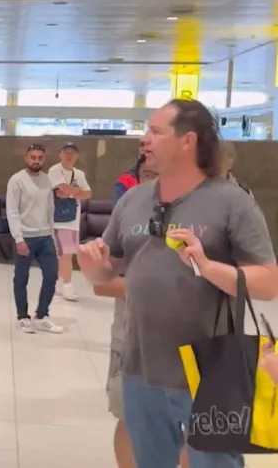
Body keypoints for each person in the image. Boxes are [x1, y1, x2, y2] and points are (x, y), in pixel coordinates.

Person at [78, 99, 278, 468]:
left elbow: (268, 283)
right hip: (141, 367)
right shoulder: (134, 201)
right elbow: (111, 271)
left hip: (212, 369)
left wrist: (207, 266)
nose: (145, 139)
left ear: (188, 140)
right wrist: (95, 268)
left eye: (155, 131)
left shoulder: (233, 202)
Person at [92, 158, 184, 468]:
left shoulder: (213, 210)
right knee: (130, 417)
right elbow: (102, 282)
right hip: (133, 337)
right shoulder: (129, 212)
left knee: (195, 426)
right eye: (146, 174)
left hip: (196, 341)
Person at [6, 143, 63, 334]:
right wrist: (18, 238)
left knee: (52, 275)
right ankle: (22, 317)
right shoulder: (17, 180)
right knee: (21, 278)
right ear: (26, 158)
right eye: (33, 157)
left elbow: (50, 210)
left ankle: (42, 316)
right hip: (25, 238)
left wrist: (53, 237)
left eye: (40, 157)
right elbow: (12, 211)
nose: (36, 161)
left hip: (45, 236)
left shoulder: (47, 180)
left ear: (44, 159)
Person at [47, 143, 92, 301]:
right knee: (66, 253)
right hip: (58, 220)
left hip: (73, 220)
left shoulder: (79, 173)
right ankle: (67, 286)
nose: (69, 155)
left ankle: (55, 283)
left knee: (66, 254)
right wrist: (76, 191)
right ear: (60, 154)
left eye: (72, 153)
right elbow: (61, 188)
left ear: (77, 156)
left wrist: (71, 194)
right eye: (66, 152)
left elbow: (88, 194)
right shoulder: (55, 170)